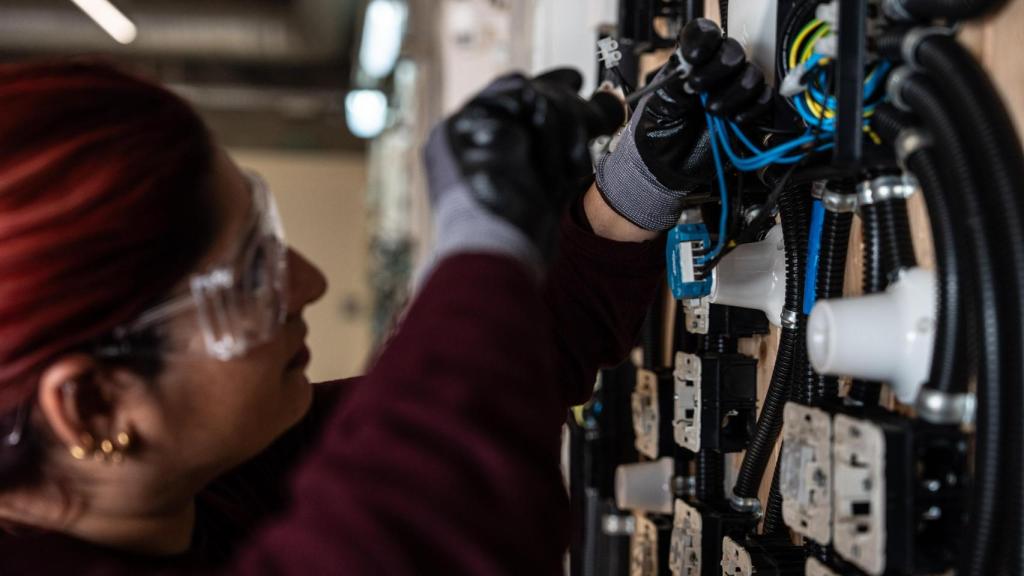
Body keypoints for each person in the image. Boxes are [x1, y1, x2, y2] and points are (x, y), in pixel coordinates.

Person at [0, 19, 766, 574]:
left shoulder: (193, 488)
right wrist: (481, 236)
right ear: (95, 408)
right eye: (249, 279)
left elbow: (479, 394)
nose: (311, 284)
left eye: (268, 239)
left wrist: (636, 186)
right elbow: (436, 523)